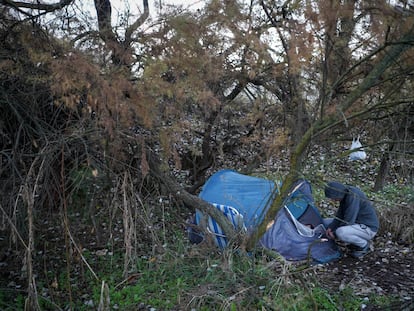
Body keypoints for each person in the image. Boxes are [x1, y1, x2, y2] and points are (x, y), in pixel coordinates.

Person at [323, 181, 379, 258]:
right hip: (357, 225)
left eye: (333, 198)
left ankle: (364, 245)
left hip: (368, 228)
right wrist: (331, 227)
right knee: (325, 222)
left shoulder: (353, 196)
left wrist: (335, 234)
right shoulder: (345, 195)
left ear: (338, 193)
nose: (333, 200)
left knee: (341, 232)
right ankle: (354, 242)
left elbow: (348, 220)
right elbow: (340, 216)